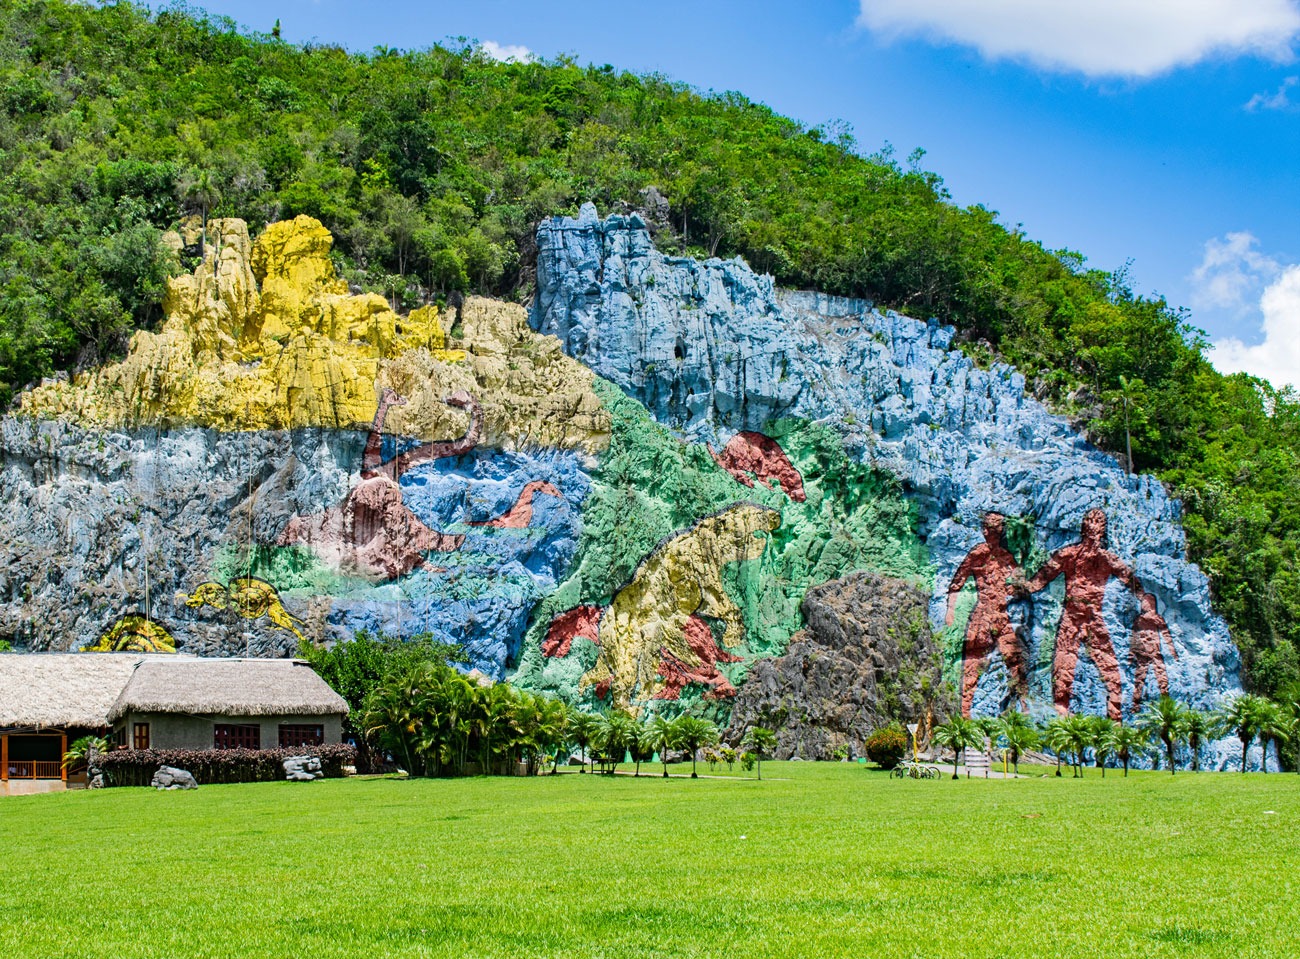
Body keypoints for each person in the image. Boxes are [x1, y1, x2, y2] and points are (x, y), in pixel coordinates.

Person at [1024, 509, 1141, 720]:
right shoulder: (1069, 554)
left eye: (1098, 522)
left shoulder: (1108, 559)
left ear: (1103, 529)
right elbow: (1041, 578)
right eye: (1089, 520)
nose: (1093, 526)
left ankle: (1115, 717)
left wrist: (1145, 602)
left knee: (1110, 668)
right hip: (1072, 616)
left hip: (1094, 617)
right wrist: (1020, 587)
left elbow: (1131, 581)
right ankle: (1060, 709)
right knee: (1063, 664)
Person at [945, 512, 1029, 717]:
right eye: (987, 529)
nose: (989, 533)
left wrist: (1013, 590)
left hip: (1001, 616)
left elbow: (1021, 584)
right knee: (972, 665)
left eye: (994, 530)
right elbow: (957, 583)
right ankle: (964, 715)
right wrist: (950, 611)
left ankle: (1026, 708)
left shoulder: (1006, 557)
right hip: (982, 615)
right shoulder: (977, 554)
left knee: (1015, 662)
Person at [1130, 590, 1177, 708]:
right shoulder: (1139, 620)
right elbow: (1134, 636)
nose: (1144, 605)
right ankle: (1135, 704)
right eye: (1144, 602)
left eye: (1146, 602)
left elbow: (1167, 636)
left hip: (1155, 653)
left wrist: (1173, 652)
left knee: (1162, 679)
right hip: (1143, 653)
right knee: (1139, 679)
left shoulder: (1157, 619)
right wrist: (1131, 654)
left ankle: (1166, 703)